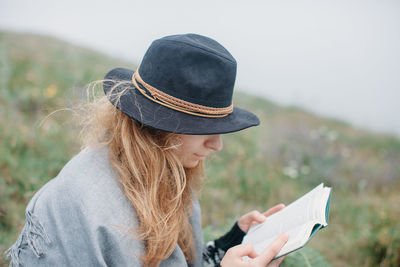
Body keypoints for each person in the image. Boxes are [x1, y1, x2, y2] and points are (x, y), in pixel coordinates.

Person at [7, 33, 288, 267]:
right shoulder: (86, 207)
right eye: (202, 127)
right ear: (156, 123)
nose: (217, 144)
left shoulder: (166, 172)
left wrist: (233, 241)